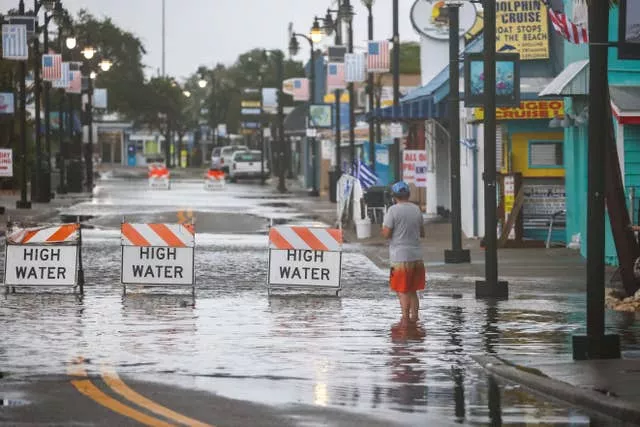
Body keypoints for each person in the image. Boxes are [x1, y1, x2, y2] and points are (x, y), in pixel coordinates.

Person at [382, 181, 426, 325]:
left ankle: (405, 319)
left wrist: (384, 229)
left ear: (394, 196)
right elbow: (422, 233)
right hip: (416, 256)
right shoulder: (416, 209)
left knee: (402, 290)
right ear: (408, 194)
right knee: (413, 290)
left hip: (400, 257)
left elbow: (386, 234)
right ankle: (415, 318)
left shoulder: (393, 211)